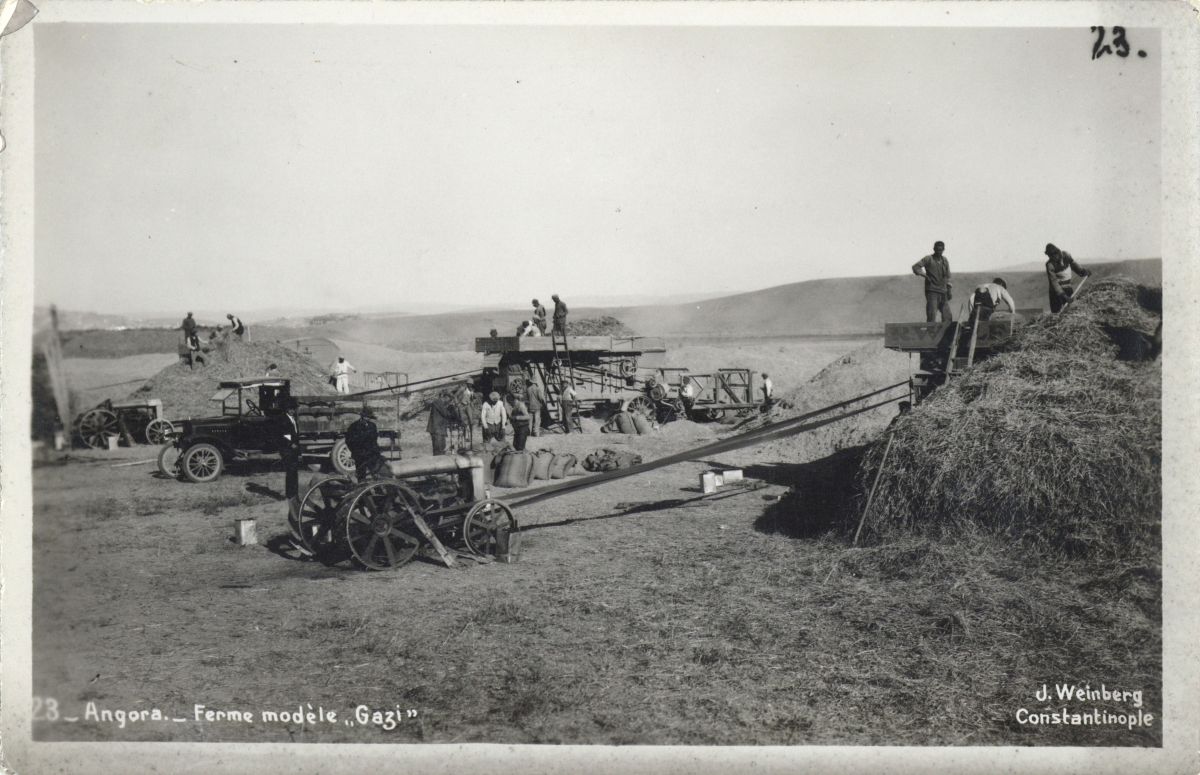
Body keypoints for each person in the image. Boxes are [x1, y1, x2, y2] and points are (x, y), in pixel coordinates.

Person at [344, 406, 392, 481]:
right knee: (361, 476)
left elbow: (374, 441)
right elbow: (348, 441)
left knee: (376, 474)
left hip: (371, 455)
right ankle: (363, 490)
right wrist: (355, 452)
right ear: (362, 416)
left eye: (369, 417)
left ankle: (377, 490)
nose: (368, 419)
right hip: (360, 456)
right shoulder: (353, 427)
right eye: (367, 417)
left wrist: (377, 452)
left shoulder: (372, 426)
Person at [912, 241, 953, 323]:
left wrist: (949, 290)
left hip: (943, 292)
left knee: (947, 315)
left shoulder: (945, 260)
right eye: (937, 249)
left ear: (943, 250)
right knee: (932, 315)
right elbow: (916, 267)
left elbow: (948, 276)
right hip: (932, 291)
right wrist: (924, 275)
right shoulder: (928, 258)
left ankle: (946, 335)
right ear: (934, 249)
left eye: (941, 250)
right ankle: (931, 334)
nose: (939, 251)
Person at [1044, 243, 1091, 313]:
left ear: (1057, 253)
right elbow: (1054, 282)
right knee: (1057, 313)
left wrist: (1083, 271)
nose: (1051, 258)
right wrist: (1064, 296)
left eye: (1052, 255)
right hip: (1056, 293)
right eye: (1049, 256)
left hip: (1068, 288)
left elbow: (1074, 265)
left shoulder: (1066, 255)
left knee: (1070, 310)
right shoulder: (1049, 265)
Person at [426, 392, 458, 456]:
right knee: (438, 450)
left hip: (440, 430)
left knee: (442, 448)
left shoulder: (440, 403)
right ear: (446, 397)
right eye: (449, 400)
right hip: (437, 430)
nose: (449, 401)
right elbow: (446, 414)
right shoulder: (438, 402)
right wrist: (452, 408)